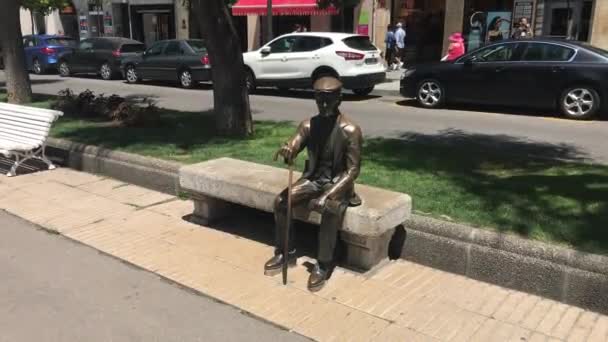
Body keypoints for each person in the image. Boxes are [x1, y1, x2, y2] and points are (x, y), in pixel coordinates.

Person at [264, 76, 363, 292]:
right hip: (313, 180)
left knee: (329, 210)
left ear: (339, 99)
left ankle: (324, 264)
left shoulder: (350, 130)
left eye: (328, 100)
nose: (323, 105)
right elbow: (295, 143)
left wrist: (327, 195)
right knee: (281, 201)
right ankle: (285, 252)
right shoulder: (309, 125)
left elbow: (352, 170)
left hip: (338, 184)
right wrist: (289, 150)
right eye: (319, 101)